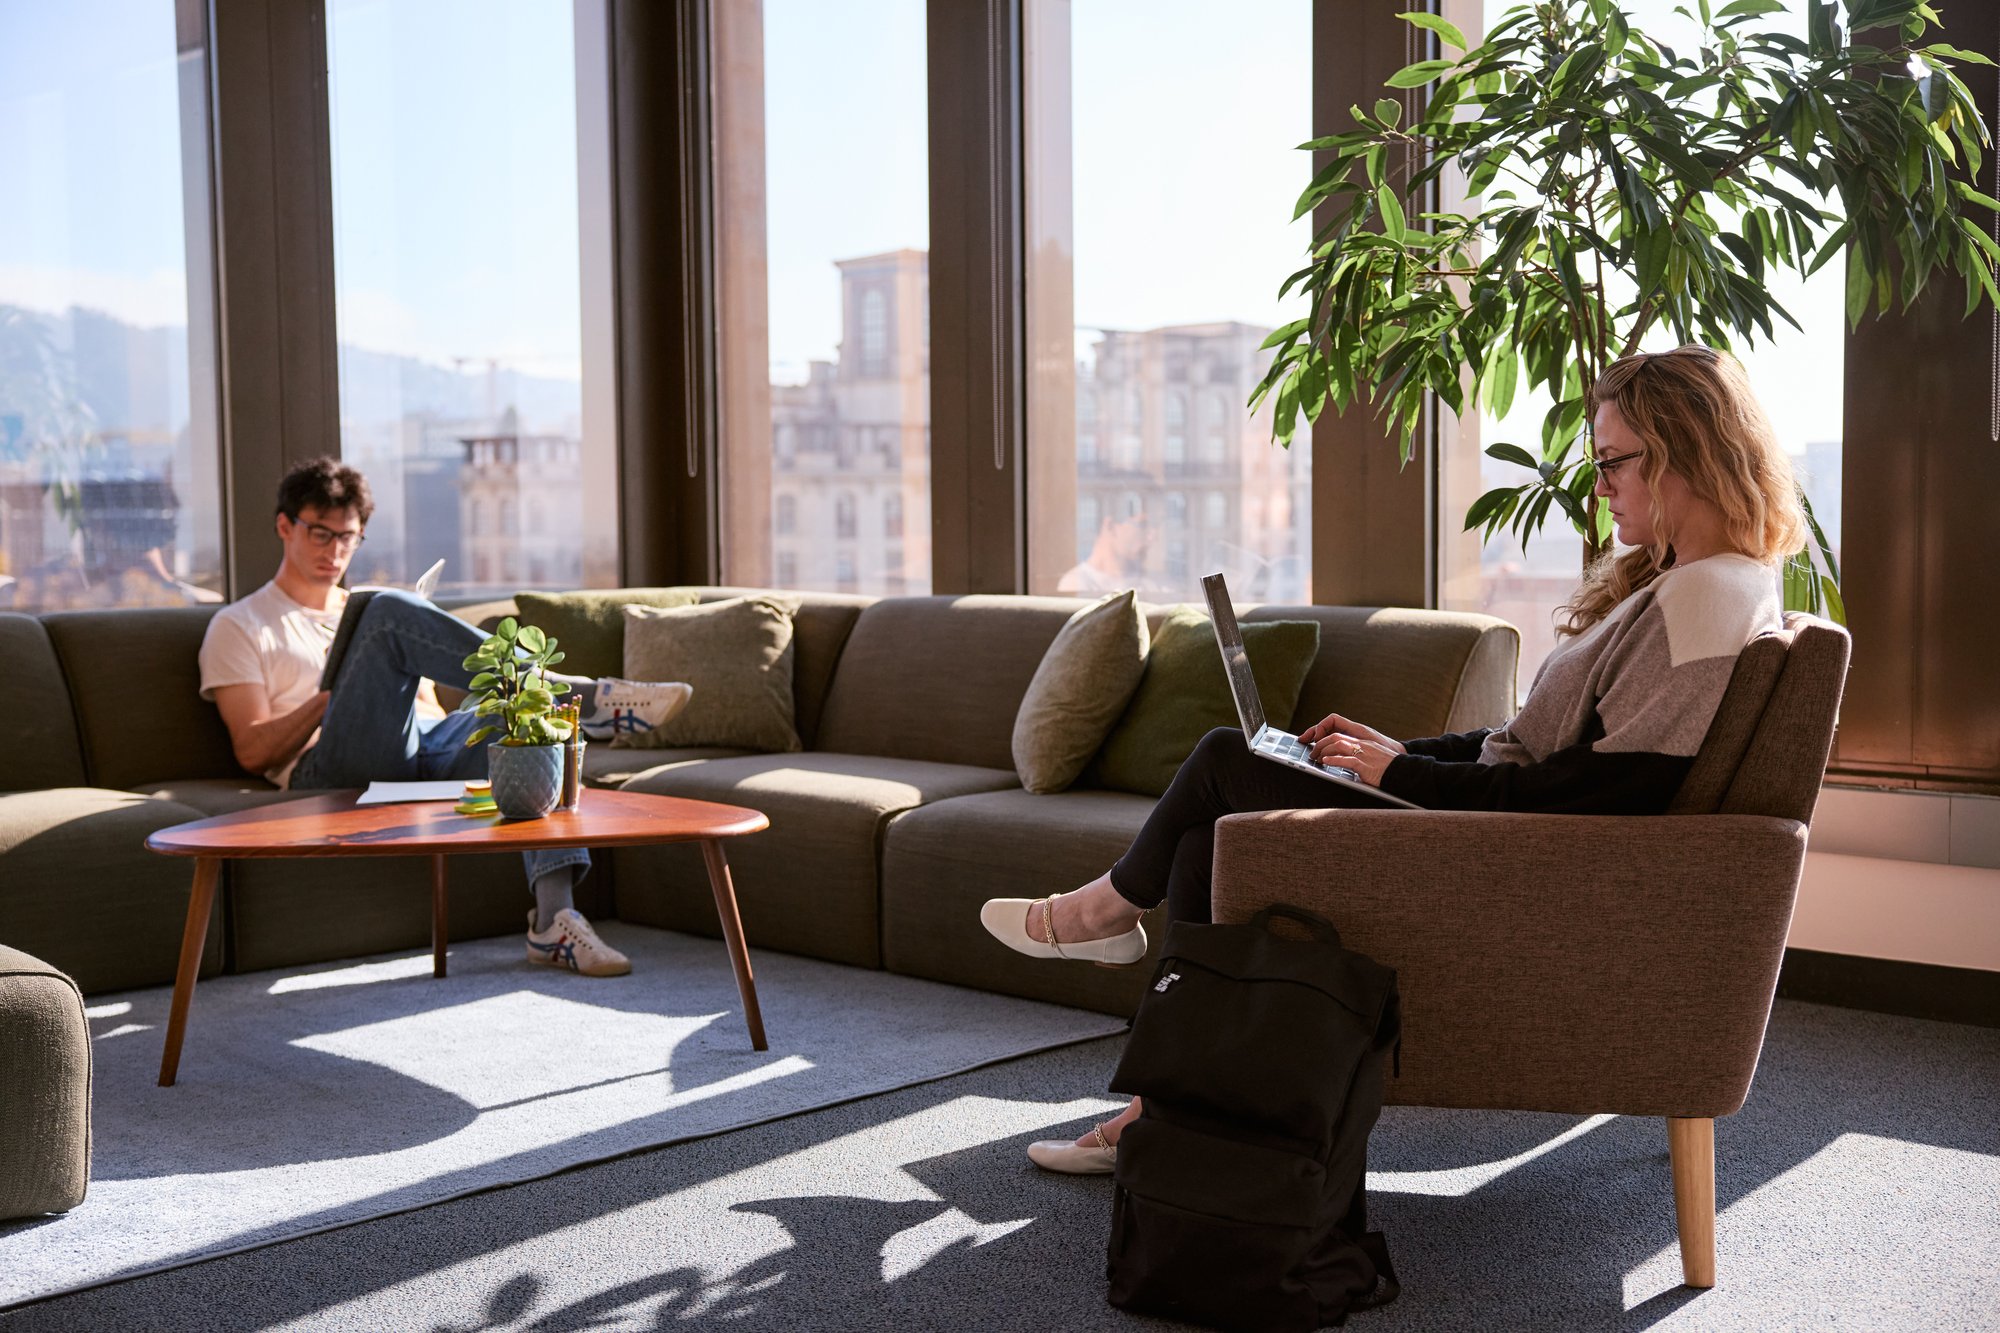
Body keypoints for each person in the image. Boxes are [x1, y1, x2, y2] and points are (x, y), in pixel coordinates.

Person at [982, 345, 1805, 1171]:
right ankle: (1164, 1106)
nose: (1599, 486)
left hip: (1510, 854)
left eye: (1614, 462)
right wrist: (1389, 753)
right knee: (1206, 840)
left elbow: (1607, 793)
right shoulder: (1697, 582)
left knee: (1227, 756)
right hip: (1497, 823)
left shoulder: (1703, 595)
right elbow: (1528, 743)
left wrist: (1401, 777)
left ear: (1686, 450)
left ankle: (1099, 914)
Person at [198, 458, 691, 977]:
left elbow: (428, 712)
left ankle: (554, 923)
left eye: (349, 538)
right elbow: (252, 751)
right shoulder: (240, 624)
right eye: (321, 534)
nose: (335, 551)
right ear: (284, 526)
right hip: (329, 767)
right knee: (388, 613)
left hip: (420, 752)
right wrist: (335, 693)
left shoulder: (360, 615)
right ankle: (573, 694)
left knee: (514, 716)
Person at [1057, 497, 1149, 594]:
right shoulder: (1076, 584)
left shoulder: (1150, 583)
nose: (1151, 537)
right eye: (1143, 526)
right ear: (1111, 526)